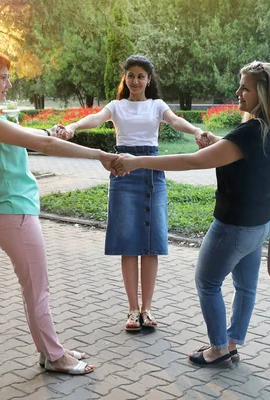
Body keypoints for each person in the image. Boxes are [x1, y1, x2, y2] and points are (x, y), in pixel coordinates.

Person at [113, 61, 270, 367]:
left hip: (235, 226)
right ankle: (232, 343)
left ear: (263, 93)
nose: (238, 92)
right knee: (246, 287)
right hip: (262, 223)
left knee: (207, 282)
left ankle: (218, 349)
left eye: (245, 88)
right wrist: (218, 143)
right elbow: (236, 156)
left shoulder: (250, 131)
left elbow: (194, 162)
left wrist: (139, 162)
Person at [0, 47, 118, 375]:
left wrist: (49, 132)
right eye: (2, 77)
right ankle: (56, 357)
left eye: (7, 75)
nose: (8, 82)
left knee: (35, 288)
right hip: (13, 216)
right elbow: (43, 145)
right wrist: (98, 154)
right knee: (37, 290)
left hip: (14, 214)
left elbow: (35, 137)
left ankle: (50, 350)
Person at [56, 55, 207, 331]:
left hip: (152, 171)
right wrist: (73, 127)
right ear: (124, 78)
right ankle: (132, 310)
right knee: (128, 242)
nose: (135, 81)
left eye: (141, 76)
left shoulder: (157, 105)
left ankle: (147, 310)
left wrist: (197, 130)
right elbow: (95, 118)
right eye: (131, 76)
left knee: (151, 244)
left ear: (149, 80)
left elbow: (176, 121)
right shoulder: (117, 106)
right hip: (122, 170)